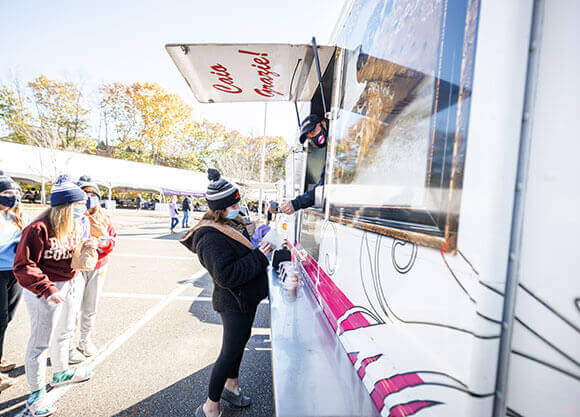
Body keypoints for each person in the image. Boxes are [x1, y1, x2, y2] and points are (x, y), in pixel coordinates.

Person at [183, 168, 271, 417]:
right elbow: (226, 276)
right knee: (229, 352)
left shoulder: (229, 222)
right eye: (234, 203)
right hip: (233, 302)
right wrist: (260, 256)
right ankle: (210, 405)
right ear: (221, 207)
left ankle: (231, 387)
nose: (238, 206)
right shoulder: (209, 236)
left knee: (239, 344)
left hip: (245, 299)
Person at [13, 175, 94, 417]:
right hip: (44, 290)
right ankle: (36, 394)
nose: (83, 208)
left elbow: (68, 256)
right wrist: (47, 288)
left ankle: (61, 372)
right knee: (40, 343)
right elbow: (23, 265)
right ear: (66, 206)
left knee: (65, 333)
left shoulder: (74, 226)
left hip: (70, 283)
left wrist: (85, 250)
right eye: (79, 205)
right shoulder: (38, 228)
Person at [68, 176, 116, 364]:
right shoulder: (71, 215)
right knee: (72, 307)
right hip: (76, 267)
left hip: (99, 266)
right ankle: (68, 346)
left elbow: (112, 240)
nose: (89, 197)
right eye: (85, 193)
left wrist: (100, 244)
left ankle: (84, 340)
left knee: (90, 306)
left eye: (93, 194)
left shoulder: (103, 217)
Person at [0, 171, 29, 392]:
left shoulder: (19, 215)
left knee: (7, 318)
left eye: (15, 193)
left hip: (14, 272)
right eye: (7, 193)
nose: (13, 197)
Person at [280, 114, 328, 215]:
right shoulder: (330, 152)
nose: (312, 139)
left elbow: (325, 187)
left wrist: (296, 203)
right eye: (308, 138)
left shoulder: (343, 143)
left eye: (313, 132)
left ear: (323, 123)